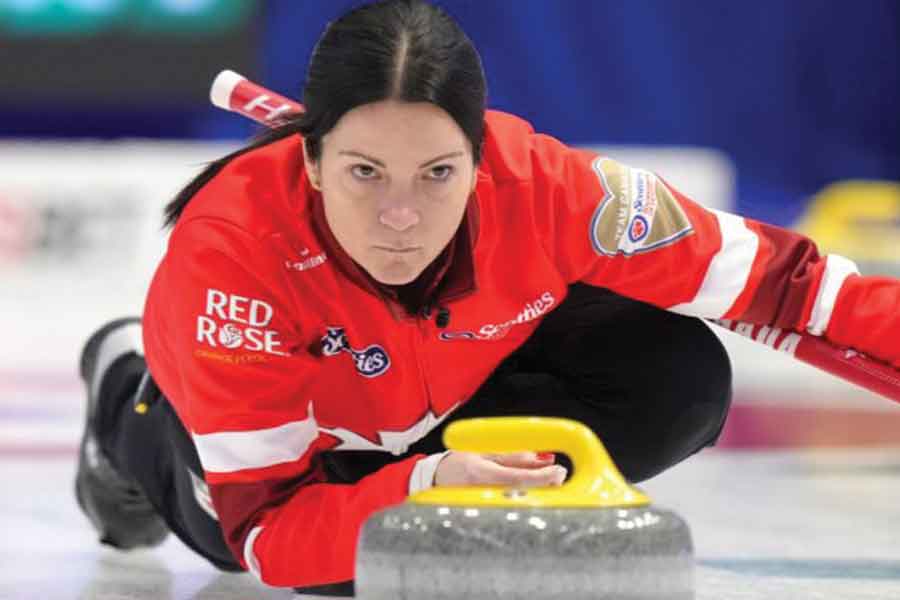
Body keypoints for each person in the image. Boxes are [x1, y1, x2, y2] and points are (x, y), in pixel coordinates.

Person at [74, 0, 900, 595]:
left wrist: (439, 480)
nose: (400, 217)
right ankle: (124, 400)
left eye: (438, 174)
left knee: (677, 377)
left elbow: (791, 289)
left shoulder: (549, 189)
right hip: (294, 456)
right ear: (314, 162)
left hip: (447, 395)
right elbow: (271, 535)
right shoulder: (232, 259)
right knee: (300, 564)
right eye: (365, 173)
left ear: (480, 160)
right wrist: (427, 489)